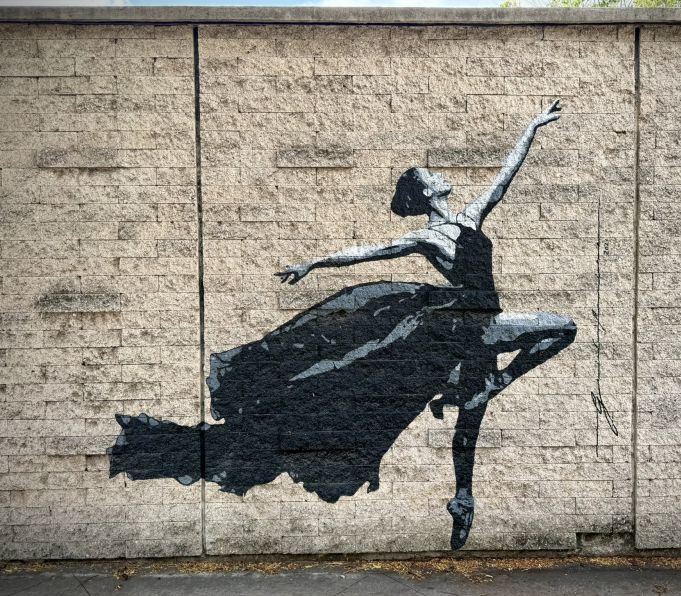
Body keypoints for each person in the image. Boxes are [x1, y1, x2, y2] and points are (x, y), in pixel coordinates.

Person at [108, 100, 576, 551]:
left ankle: (462, 497)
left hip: (473, 326)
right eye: (431, 175)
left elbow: (505, 175)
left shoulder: (471, 217)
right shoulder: (427, 237)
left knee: (471, 418)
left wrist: (532, 127)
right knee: (562, 328)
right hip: (471, 323)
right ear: (427, 193)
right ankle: (490, 395)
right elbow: (365, 253)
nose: (440, 175)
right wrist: (314, 263)